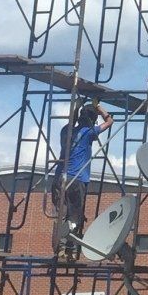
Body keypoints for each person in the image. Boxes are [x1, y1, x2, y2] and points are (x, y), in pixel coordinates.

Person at [53, 100, 112, 261]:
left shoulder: (65, 131)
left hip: (60, 178)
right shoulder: (89, 132)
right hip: (77, 179)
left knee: (62, 215)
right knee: (74, 216)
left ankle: (59, 247)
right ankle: (69, 249)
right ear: (92, 120)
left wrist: (78, 105)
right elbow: (109, 122)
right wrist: (99, 106)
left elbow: (71, 122)